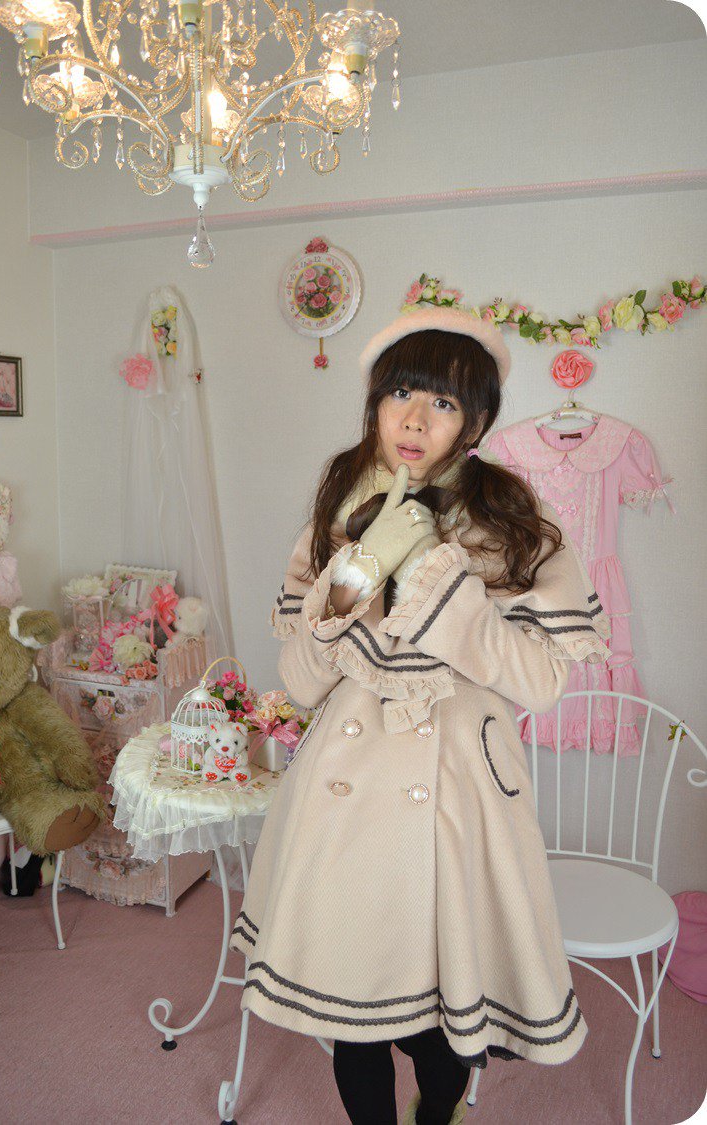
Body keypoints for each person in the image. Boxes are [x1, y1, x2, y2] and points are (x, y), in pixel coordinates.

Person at [229, 307, 612, 1125]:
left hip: (457, 792)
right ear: (374, 403)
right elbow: (299, 681)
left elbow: (542, 681)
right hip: (345, 788)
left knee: (441, 1029)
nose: (413, 419)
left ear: (475, 422)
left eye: (442, 402)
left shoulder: (513, 520)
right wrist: (359, 570)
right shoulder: (335, 508)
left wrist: (439, 581)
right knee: (353, 1011)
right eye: (400, 393)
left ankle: (437, 1113)